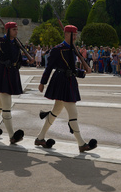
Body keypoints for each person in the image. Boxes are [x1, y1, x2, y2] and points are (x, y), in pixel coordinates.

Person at [35, 25, 97, 153]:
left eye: (75, 35)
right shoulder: (57, 49)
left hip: (69, 82)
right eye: (72, 35)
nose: (75, 37)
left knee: (55, 112)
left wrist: (83, 73)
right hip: (61, 82)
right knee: (73, 113)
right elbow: (49, 67)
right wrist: (42, 82)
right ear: (66, 34)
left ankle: (40, 138)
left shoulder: (73, 48)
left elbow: (72, 69)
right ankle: (81, 144)